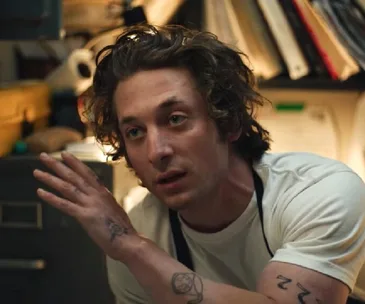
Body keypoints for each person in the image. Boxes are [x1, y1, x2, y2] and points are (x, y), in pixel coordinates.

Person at [33, 24, 365, 304]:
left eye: (175, 119)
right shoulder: (138, 236)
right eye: (134, 131)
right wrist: (131, 248)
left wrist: (134, 250)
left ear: (230, 122)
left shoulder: (321, 191)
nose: (156, 151)